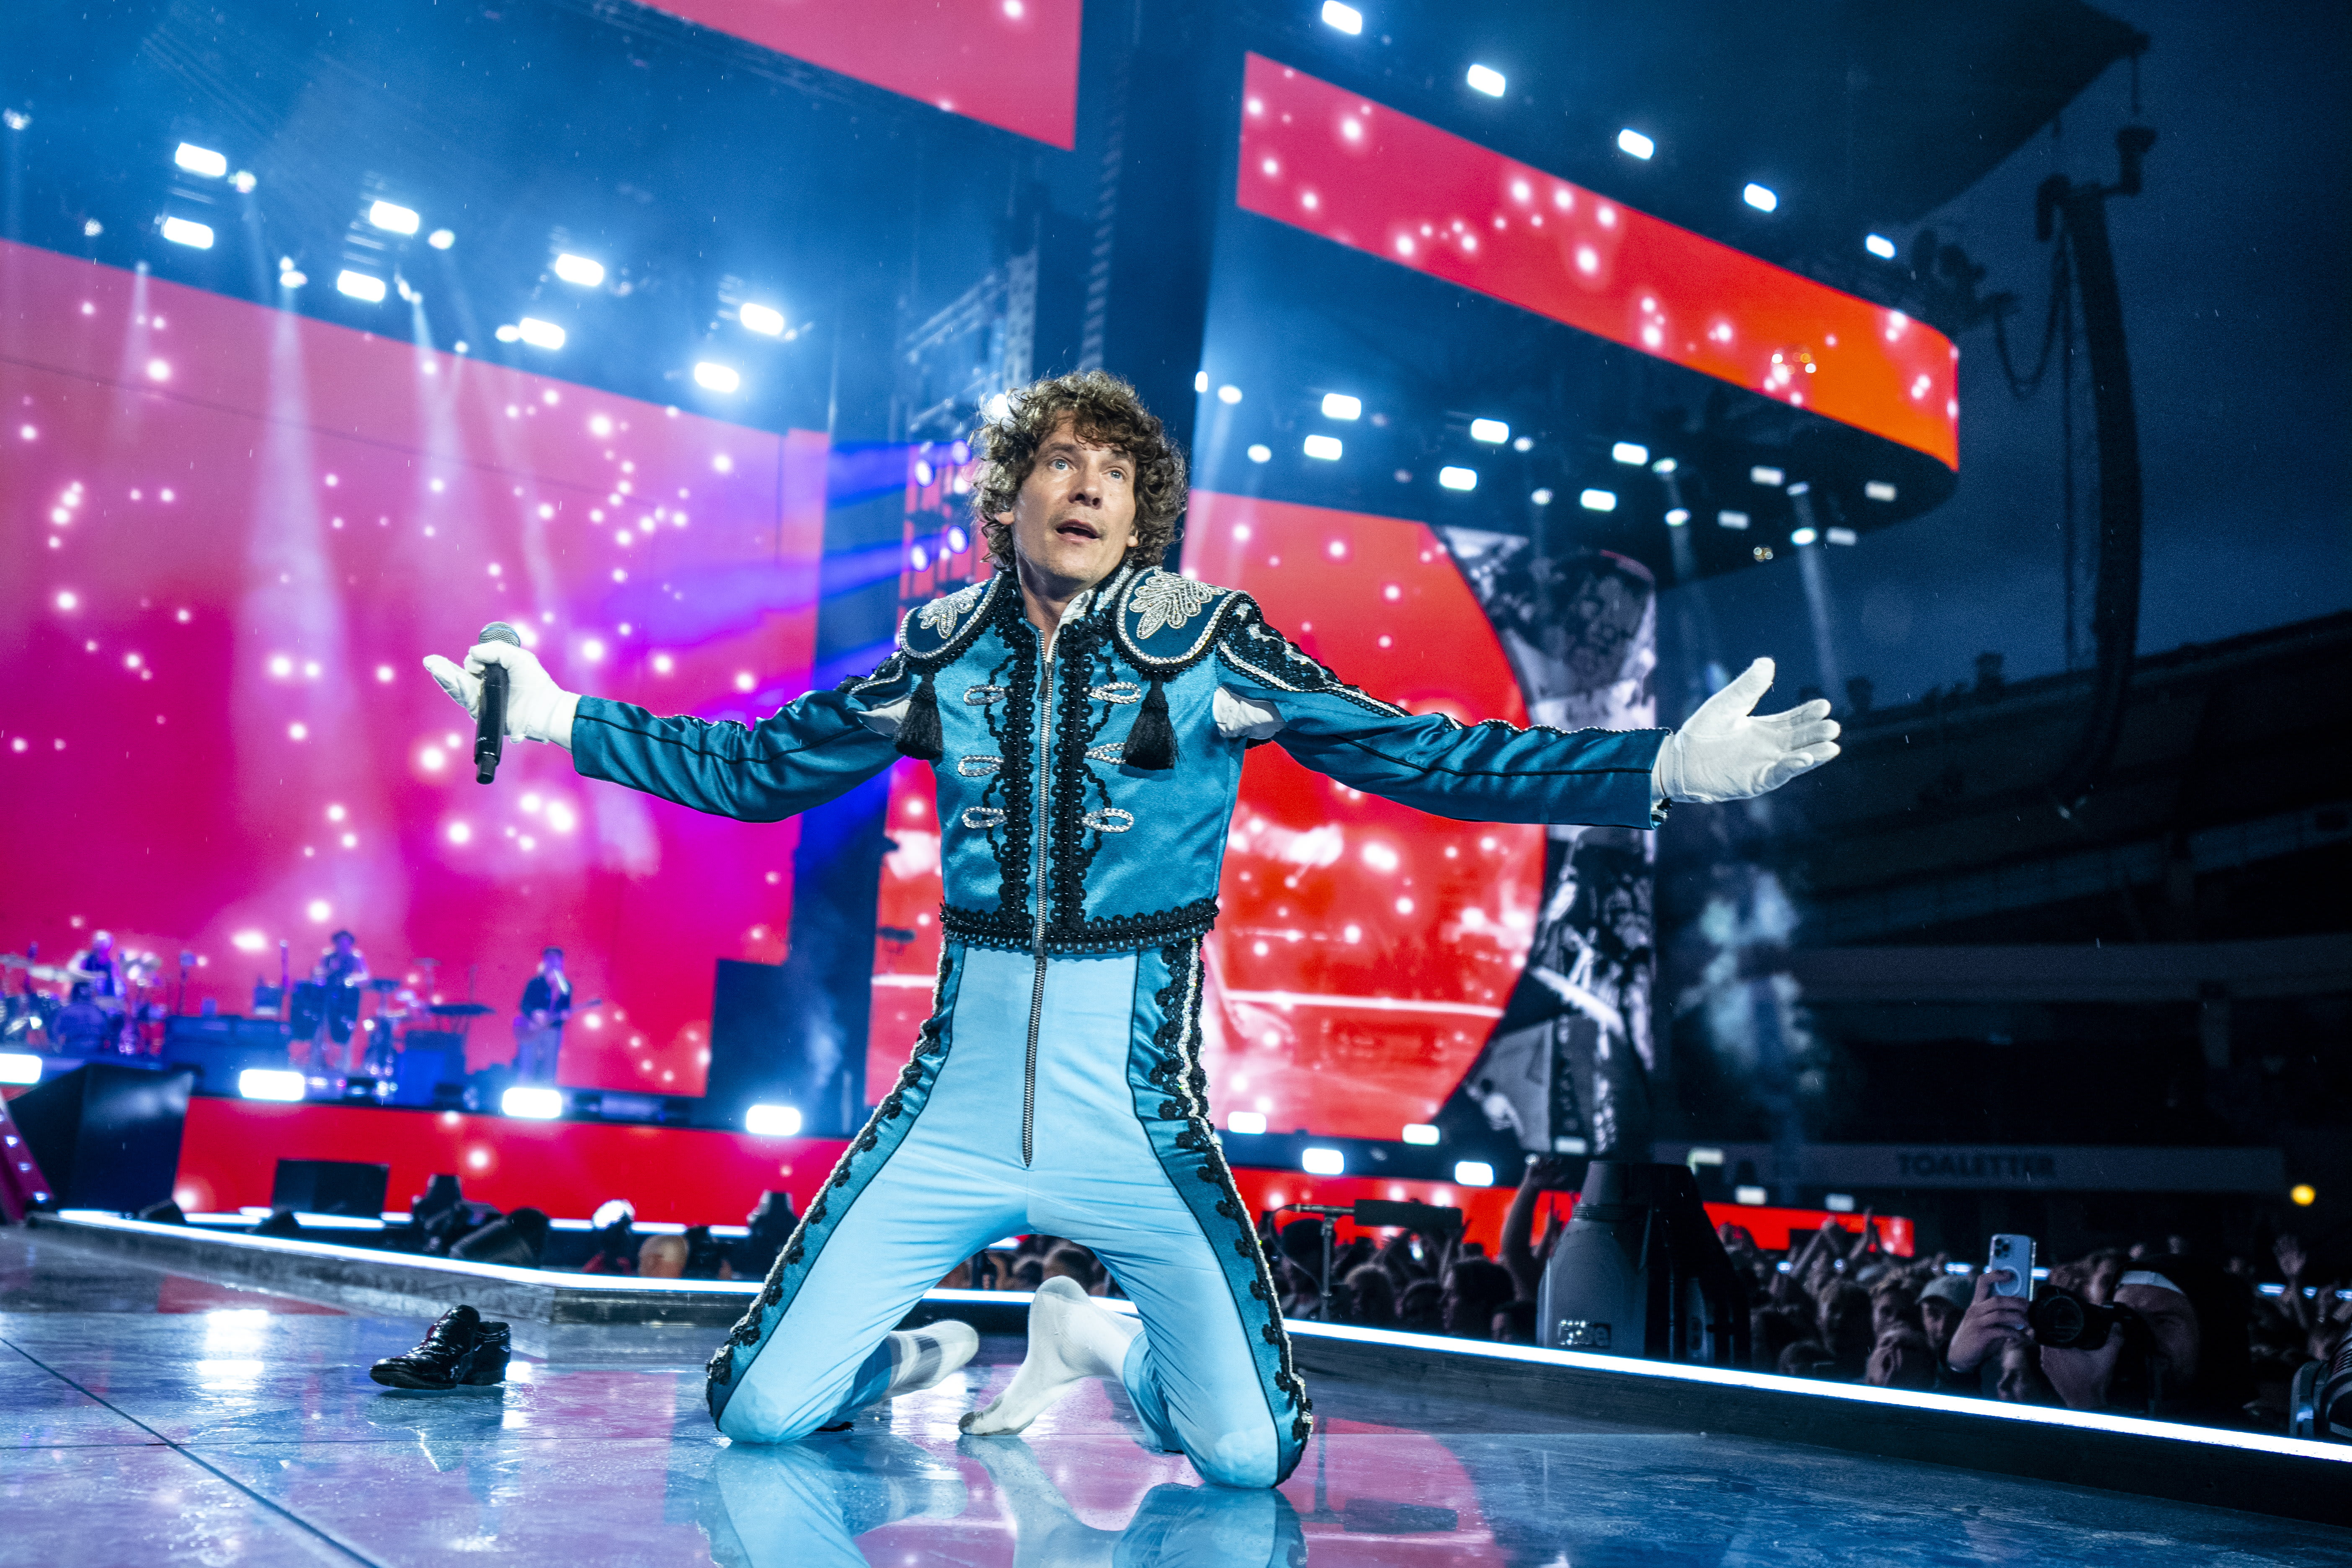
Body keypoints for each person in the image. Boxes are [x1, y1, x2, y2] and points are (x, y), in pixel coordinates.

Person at [422, 369, 1839, 1489]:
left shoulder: (1213, 643)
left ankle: (1092, 1337)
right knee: (760, 1412)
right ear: (1011, 497)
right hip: (947, 1117)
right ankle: (907, 1358)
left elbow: (1421, 754)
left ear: (1141, 508)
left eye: (1114, 468)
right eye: (1060, 461)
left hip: (1138, 1128)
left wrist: (1658, 766)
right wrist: (558, 716)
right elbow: (753, 770)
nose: (1088, 482)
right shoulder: (940, 653)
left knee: (1248, 1455)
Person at [513, 947, 572, 1084]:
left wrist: (563, 1017)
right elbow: (524, 1005)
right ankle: (524, 1088)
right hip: (531, 1029)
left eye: (556, 960)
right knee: (527, 1065)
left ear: (561, 962)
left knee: (550, 1068)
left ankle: (549, 1089)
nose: (553, 963)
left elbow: (565, 1009)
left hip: (552, 1030)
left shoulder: (565, 986)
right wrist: (534, 1014)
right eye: (550, 959)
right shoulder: (535, 983)